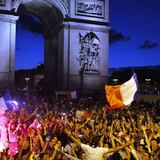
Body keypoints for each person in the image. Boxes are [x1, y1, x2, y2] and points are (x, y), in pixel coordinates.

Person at [64, 129, 134, 160]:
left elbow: (77, 142)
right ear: (99, 143)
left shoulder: (88, 148)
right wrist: (126, 144)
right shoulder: (101, 150)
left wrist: (69, 134)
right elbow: (115, 149)